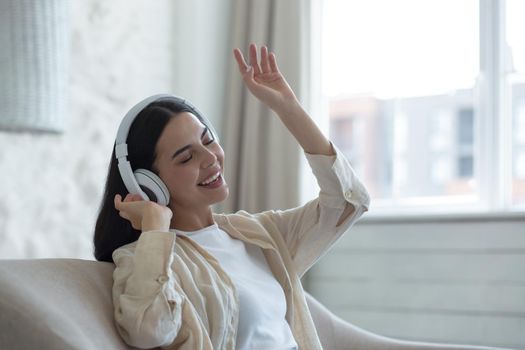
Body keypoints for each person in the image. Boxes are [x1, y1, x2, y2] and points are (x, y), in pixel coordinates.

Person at [93, 43, 370, 350]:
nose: (210, 158)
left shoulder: (258, 234)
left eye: (208, 141)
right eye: (186, 158)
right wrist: (155, 227)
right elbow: (149, 331)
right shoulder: (143, 256)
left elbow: (348, 201)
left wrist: (287, 107)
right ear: (148, 185)